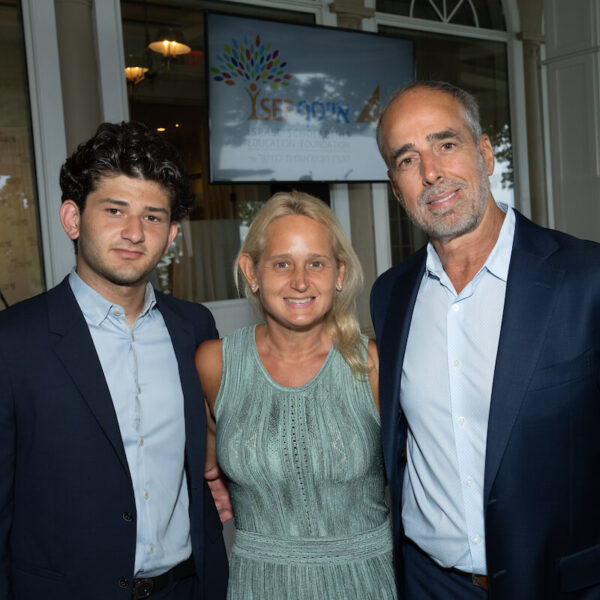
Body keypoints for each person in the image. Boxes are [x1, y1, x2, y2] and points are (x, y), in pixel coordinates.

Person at [370, 79, 600, 599]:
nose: (431, 172)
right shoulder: (390, 295)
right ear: (395, 187)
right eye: (407, 159)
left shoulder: (585, 278)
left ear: (486, 153)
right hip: (430, 582)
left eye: (445, 143)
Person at [0, 122, 228, 600]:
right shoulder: (13, 342)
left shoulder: (194, 329)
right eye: (115, 210)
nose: (134, 232)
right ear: (72, 219)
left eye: (152, 216)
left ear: (171, 235)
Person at [196, 191, 397, 600]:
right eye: (282, 263)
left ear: (340, 273)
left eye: (316, 263)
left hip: (365, 584)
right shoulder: (216, 364)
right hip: (257, 586)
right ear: (251, 271)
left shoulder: (374, 366)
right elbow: (204, 469)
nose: (300, 281)